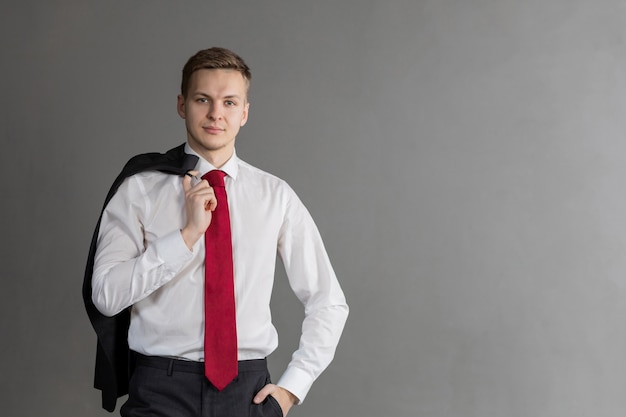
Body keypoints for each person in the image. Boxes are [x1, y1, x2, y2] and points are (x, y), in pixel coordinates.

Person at [83, 47, 349, 416]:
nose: (215, 114)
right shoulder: (139, 189)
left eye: (229, 102)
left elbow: (329, 302)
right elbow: (106, 296)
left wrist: (290, 390)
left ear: (245, 112)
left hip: (248, 394)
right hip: (160, 391)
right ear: (181, 104)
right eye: (202, 99)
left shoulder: (276, 196)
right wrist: (187, 236)